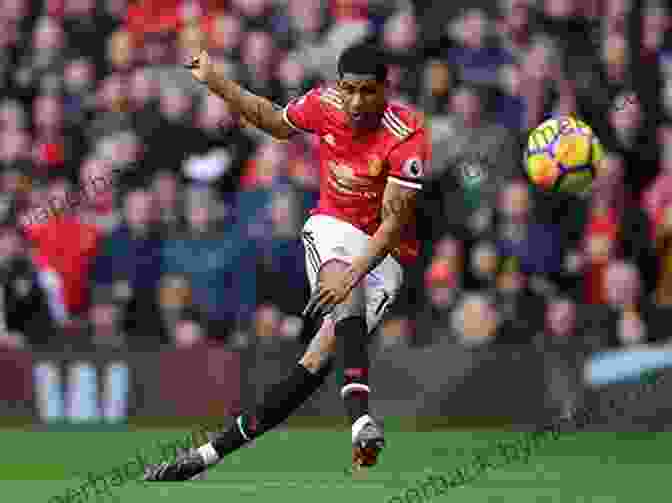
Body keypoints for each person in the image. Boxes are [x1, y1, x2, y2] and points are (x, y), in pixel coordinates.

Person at [143, 43, 429, 481]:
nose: (356, 102)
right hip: (332, 226)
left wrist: (355, 274)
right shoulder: (323, 104)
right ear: (338, 86)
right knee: (343, 288)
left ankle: (203, 458)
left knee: (312, 367)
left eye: (367, 92)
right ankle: (361, 422)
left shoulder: (406, 135)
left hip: (386, 253)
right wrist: (217, 81)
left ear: (385, 90)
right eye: (348, 90)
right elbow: (275, 121)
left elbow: (391, 227)